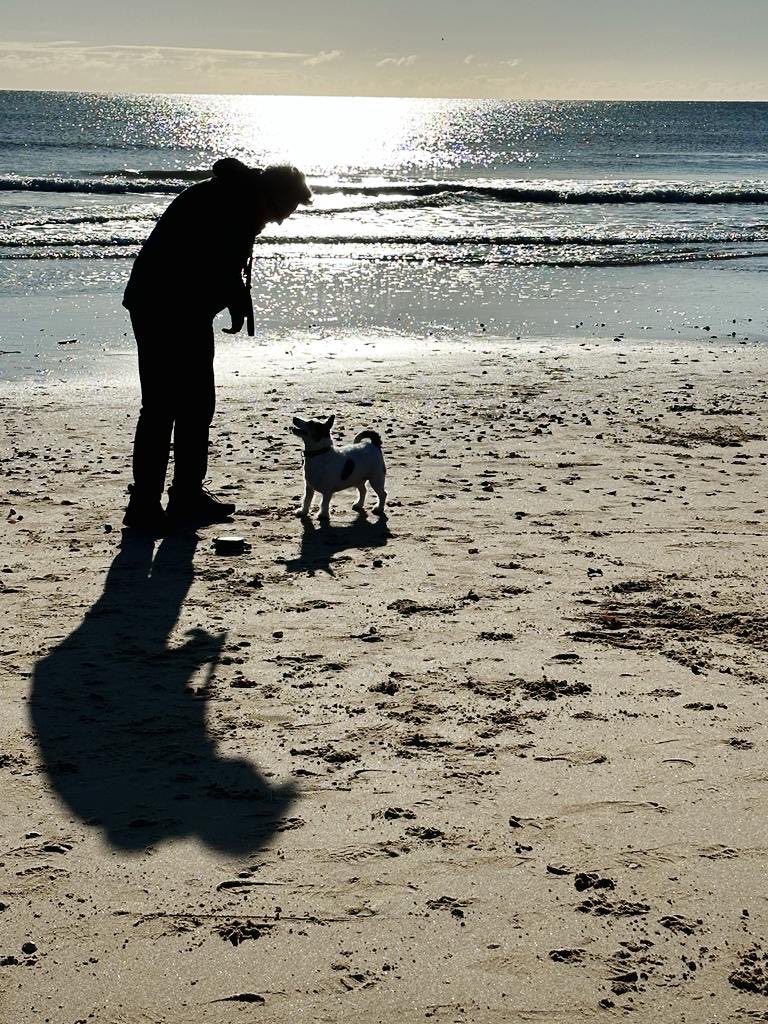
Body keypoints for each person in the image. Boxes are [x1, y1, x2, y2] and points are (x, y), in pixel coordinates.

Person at [122, 158, 312, 532]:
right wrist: (233, 298)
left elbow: (225, 270)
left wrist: (237, 302)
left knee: (195, 406)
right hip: (160, 306)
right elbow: (208, 263)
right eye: (279, 211)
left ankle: (185, 497)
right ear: (267, 194)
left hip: (187, 310)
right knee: (162, 407)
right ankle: (145, 505)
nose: (278, 220)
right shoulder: (222, 204)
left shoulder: (238, 201)